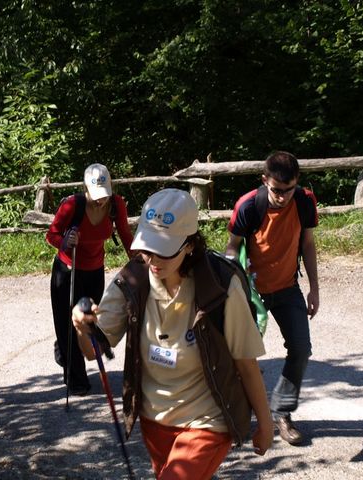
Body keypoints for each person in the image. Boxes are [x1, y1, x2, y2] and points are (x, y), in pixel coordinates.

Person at [72, 188, 273, 479]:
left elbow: (246, 361)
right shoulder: (132, 280)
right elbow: (93, 351)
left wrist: (266, 425)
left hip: (207, 420)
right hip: (154, 420)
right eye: (147, 248)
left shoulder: (221, 287)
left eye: (163, 250)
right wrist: (81, 326)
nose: (152, 260)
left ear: (190, 245)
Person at [226, 151, 319, 445]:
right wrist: (235, 290)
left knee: (301, 349)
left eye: (289, 189)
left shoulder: (304, 201)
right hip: (252, 293)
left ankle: (281, 411)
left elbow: (308, 244)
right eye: (277, 190)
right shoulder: (248, 205)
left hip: (288, 287)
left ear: (297, 182)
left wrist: (314, 288)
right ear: (265, 181)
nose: (283, 196)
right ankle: (236, 413)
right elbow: (232, 248)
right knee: (241, 354)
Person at [46, 163, 133, 396]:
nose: (100, 201)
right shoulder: (72, 206)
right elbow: (51, 235)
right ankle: (76, 378)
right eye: (96, 196)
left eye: (104, 195)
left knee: (88, 321)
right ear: (85, 188)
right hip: (67, 271)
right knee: (67, 324)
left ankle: (64, 351)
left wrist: (138, 264)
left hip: (95, 270)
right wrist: (65, 241)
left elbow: (125, 234)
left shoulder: (116, 205)